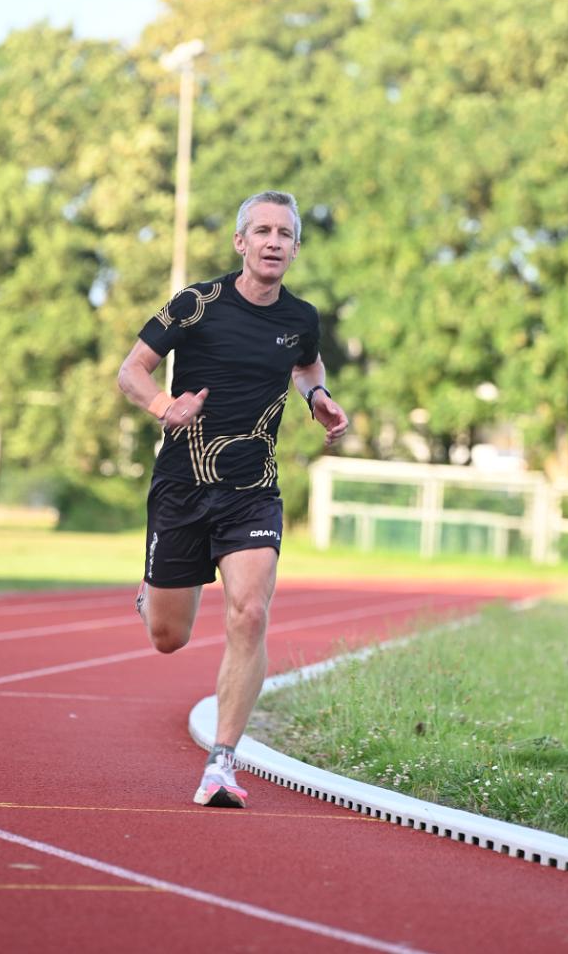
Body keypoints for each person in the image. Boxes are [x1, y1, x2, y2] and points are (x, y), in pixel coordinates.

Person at [118, 189, 348, 808]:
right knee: (169, 636)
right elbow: (131, 370)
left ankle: (221, 763)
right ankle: (153, 592)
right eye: (263, 231)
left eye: (285, 234)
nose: (274, 242)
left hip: (252, 490)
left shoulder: (301, 318)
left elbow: (307, 365)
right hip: (182, 487)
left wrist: (317, 397)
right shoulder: (196, 305)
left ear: (295, 249)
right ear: (240, 242)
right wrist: (164, 406)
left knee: (250, 613)